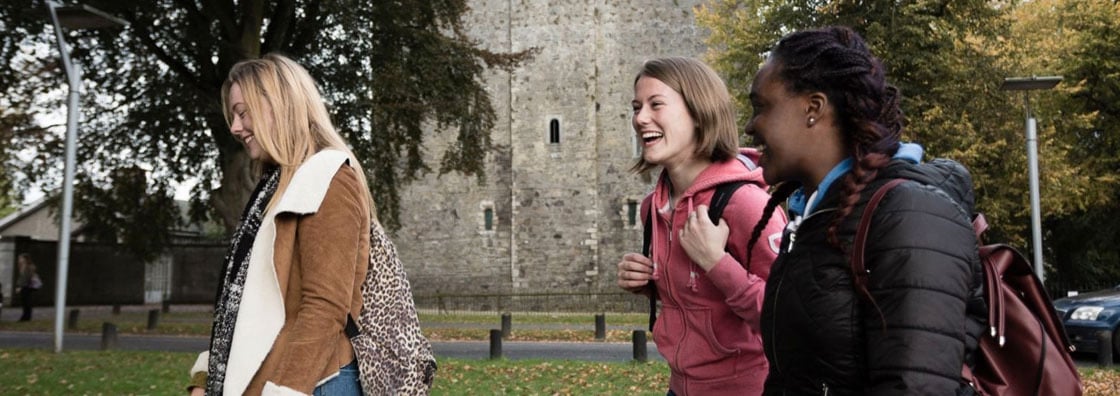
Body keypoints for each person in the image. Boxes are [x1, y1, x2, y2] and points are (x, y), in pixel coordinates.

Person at [722, 26, 986, 394]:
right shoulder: (816, 217)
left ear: (812, 108)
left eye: (760, 107)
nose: (750, 126)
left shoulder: (910, 216)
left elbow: (915, 388)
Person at [187, 53, 373, 396]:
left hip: (313, 385)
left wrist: (284, 390)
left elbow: (325, 308)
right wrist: (205, 380)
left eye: (244, 113)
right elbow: (242, 301)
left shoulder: (328, 177)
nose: (235, 127)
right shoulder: (273, 186)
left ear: (280, 105)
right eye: (234, 115)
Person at [616, 57, 787, 395]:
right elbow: (700, 299)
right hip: (679, 388)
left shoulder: (745, 205)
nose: (639, 118)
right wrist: (650, 283)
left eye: (656, 105)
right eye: (636, 107)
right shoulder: (654, 207)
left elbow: (786, 318)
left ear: (698, 112)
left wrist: (716, 263)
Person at [16, 253, 41, 321]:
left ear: (25, 259)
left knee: (27, 302)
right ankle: (25, 316)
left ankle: (26, 317)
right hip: (24, 286)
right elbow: (21, 277)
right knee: (24, 302)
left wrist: (20, 286)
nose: (19, 260)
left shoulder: (29, 266)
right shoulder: (22, 266)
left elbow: (27, 278)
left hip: (28, 287)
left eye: (20, 258)